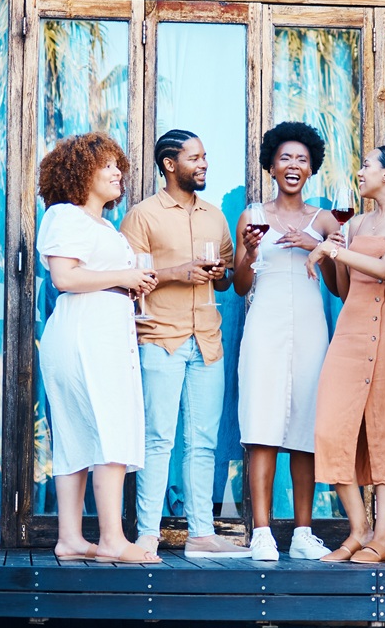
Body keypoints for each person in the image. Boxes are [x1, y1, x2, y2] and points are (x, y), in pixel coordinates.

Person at [120, 130, 249, 557]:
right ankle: (147, 535)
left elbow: (228, 278)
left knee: (204, 442)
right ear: (170, 165)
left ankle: (201, 534)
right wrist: (179, 272)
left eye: (205, 156)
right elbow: (127, 279)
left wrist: (224, 270)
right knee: (158, 440)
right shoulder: (142, 215)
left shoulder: (215, 216)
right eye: (194, 158)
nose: (204, 164)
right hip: (160, 338)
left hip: (207, 341)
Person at [35, 132, 159, 564]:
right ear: (80, 172)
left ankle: (70, 539)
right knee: (108, 429)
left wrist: (130, 288)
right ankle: (111, 539)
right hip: (83, 333)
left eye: (117, 165)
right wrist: (123, 279)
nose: (117, 173)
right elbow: (64, 279)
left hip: (100, 331)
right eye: (106, 165)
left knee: (79, 435)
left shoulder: (102, 225)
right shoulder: (66, 216)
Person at [306, 144, 385, 564]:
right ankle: (357, 530)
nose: (359, 172)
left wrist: (332, 250)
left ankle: (382, 539)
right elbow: (343, 287)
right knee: (331, 428)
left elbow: (383, 269)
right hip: (351, 334)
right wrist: (331, 250)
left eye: (366, 166)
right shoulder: (355, 222)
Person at [233, 121, 337, 563]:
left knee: (304, 428)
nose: (293, 165)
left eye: (302, 159)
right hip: (265, 327)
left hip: (312, 327)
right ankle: (260, 531)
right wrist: (250, 254)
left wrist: (318, 245)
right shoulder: (252, 216)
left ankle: (302, 531)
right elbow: (239, 285)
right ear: (271, 166)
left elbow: (340, 286)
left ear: (311, 168)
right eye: (285, 158)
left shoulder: (326, 220)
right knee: (262, 426)